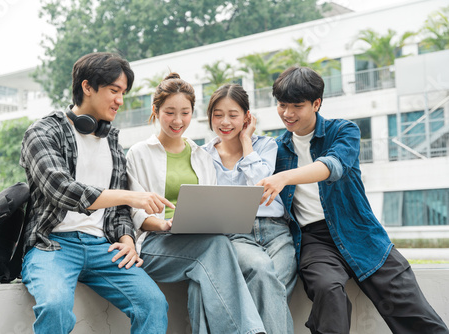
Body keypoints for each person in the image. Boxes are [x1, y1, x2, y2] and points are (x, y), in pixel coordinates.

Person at [257, 66, 449, 334]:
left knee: (411, 308)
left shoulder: (343, 130)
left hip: (359, 231)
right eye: (282, 105)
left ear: (316, 103)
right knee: (327, 290)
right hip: (314, 241)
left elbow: (333, 166)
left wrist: (284, 177)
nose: (287, 113)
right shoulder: (277, 148)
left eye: (296, 106)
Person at [20, 52, 171, 334]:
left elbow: (117, 211)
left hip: (104, 248)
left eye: (123, 92)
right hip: (52, 245)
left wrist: (127, 240)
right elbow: (62, 190)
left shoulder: (111, 139)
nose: (120, 100)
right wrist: (131, 196)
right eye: (114, 91)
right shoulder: (42, 132)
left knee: (153, 304)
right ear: (87, 87)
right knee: (54, 307)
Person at [126, 73, 266, 334]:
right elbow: (134, 213)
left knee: (209, 264)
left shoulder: (202, 155)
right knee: (215, 249)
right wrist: (165, 224)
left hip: (198, 240)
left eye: (185, 112)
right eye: (169, 112)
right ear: (155, 111)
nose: (178, 121)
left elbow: (210, 204)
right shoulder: (138, 153)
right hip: (156, 243)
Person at [203, 84, 297, 334]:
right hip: (236, 233)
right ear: (210, 116)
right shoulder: (202, 155)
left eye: (233, 115)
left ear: (247, 117)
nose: (225, 122)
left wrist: (246, 142)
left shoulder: (266, 145)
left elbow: (260, 185)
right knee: (261, 271)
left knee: (272, 283)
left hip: (276, 231)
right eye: (218, 114)